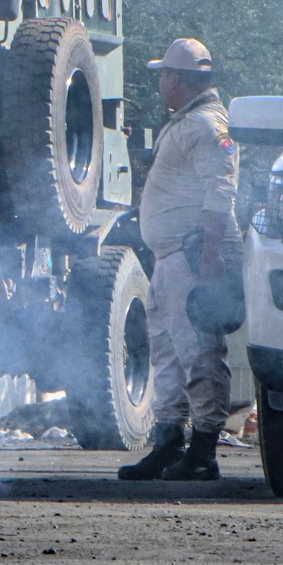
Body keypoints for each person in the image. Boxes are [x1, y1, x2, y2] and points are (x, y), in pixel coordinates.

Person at [118, 38, 241, 483]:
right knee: (168, 355)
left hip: (192, 257)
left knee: (200, 353)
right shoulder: (188, 122)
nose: (161, 82)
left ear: (180, 79)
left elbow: (221, 195)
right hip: (173, 258)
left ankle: (204, 448)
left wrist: (209, 263)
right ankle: (168, 443)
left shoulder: (209, 127)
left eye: (165, 75)